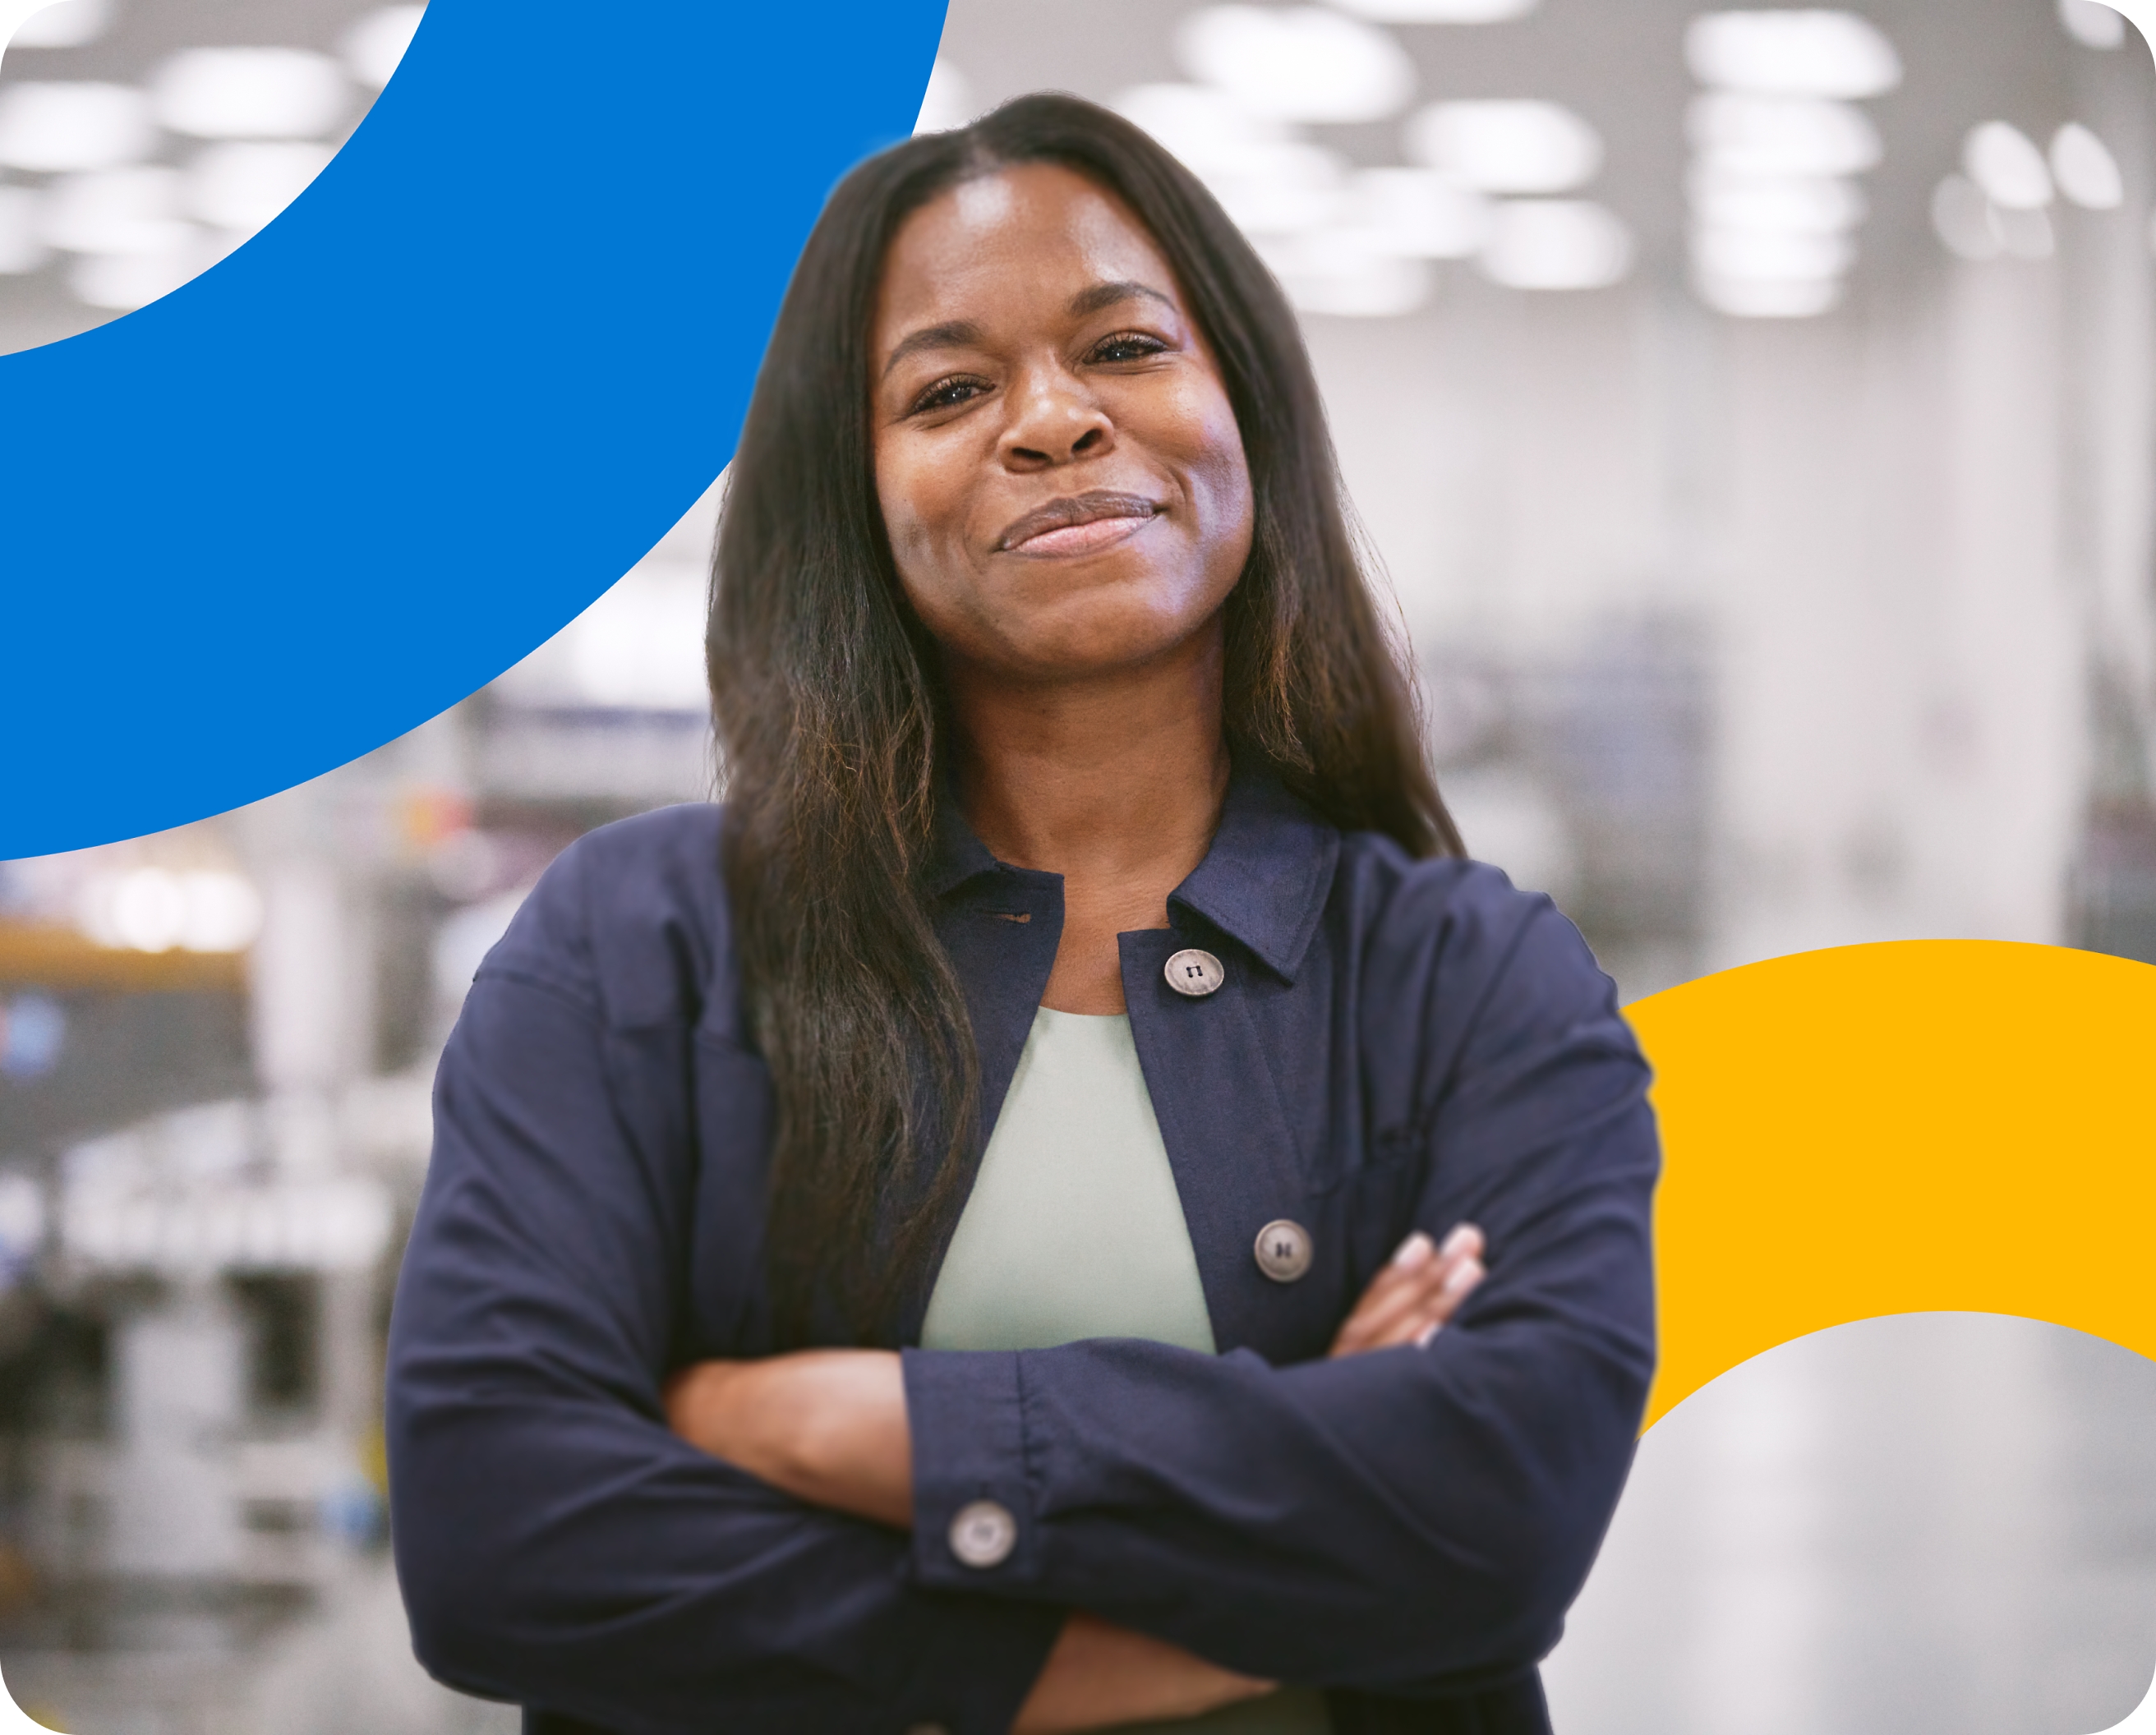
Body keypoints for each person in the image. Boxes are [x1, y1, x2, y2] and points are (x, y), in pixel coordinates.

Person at [385, 92, 1658, 1735]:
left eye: (1123, 348)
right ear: (854, 494)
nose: (1051, 421)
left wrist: (840, 1428)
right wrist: (1175, 1598)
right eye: (947, 388)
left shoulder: (1473, 982)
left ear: (1242, 411)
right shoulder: (639, 951)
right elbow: (504, 1541)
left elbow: (1494, 1522)